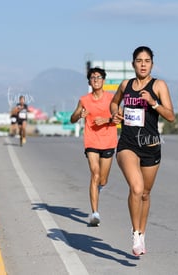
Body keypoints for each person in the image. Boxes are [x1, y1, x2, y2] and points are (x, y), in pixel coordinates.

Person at [110, 46, 175, 256]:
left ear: (152, 64)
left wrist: (153, 103)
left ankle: (142, 233)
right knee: (136, 188)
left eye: (147, 61)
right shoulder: (125, 85)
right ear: (133, 64)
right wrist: (115, 113)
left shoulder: (159, 85)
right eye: (139, 60)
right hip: (128, 144)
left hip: (151, 145)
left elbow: (171, 116)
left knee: (145, 194)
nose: (143, 64)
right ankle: (135, 233)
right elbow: (113, 103)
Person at [70, 67, 118, 226]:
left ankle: (99, 188)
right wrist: (79, 115)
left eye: (98, 77)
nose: (96, 79)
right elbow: (72, 118)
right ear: (89, 82)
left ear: (104, 80)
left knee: (103, 179)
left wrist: (106, 121)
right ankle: (95, 213)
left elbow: (120, 118)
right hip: (91, 142)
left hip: (109, 141)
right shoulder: (84, 100)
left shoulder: (112, 98)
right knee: (95, 174)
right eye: (92, 77)